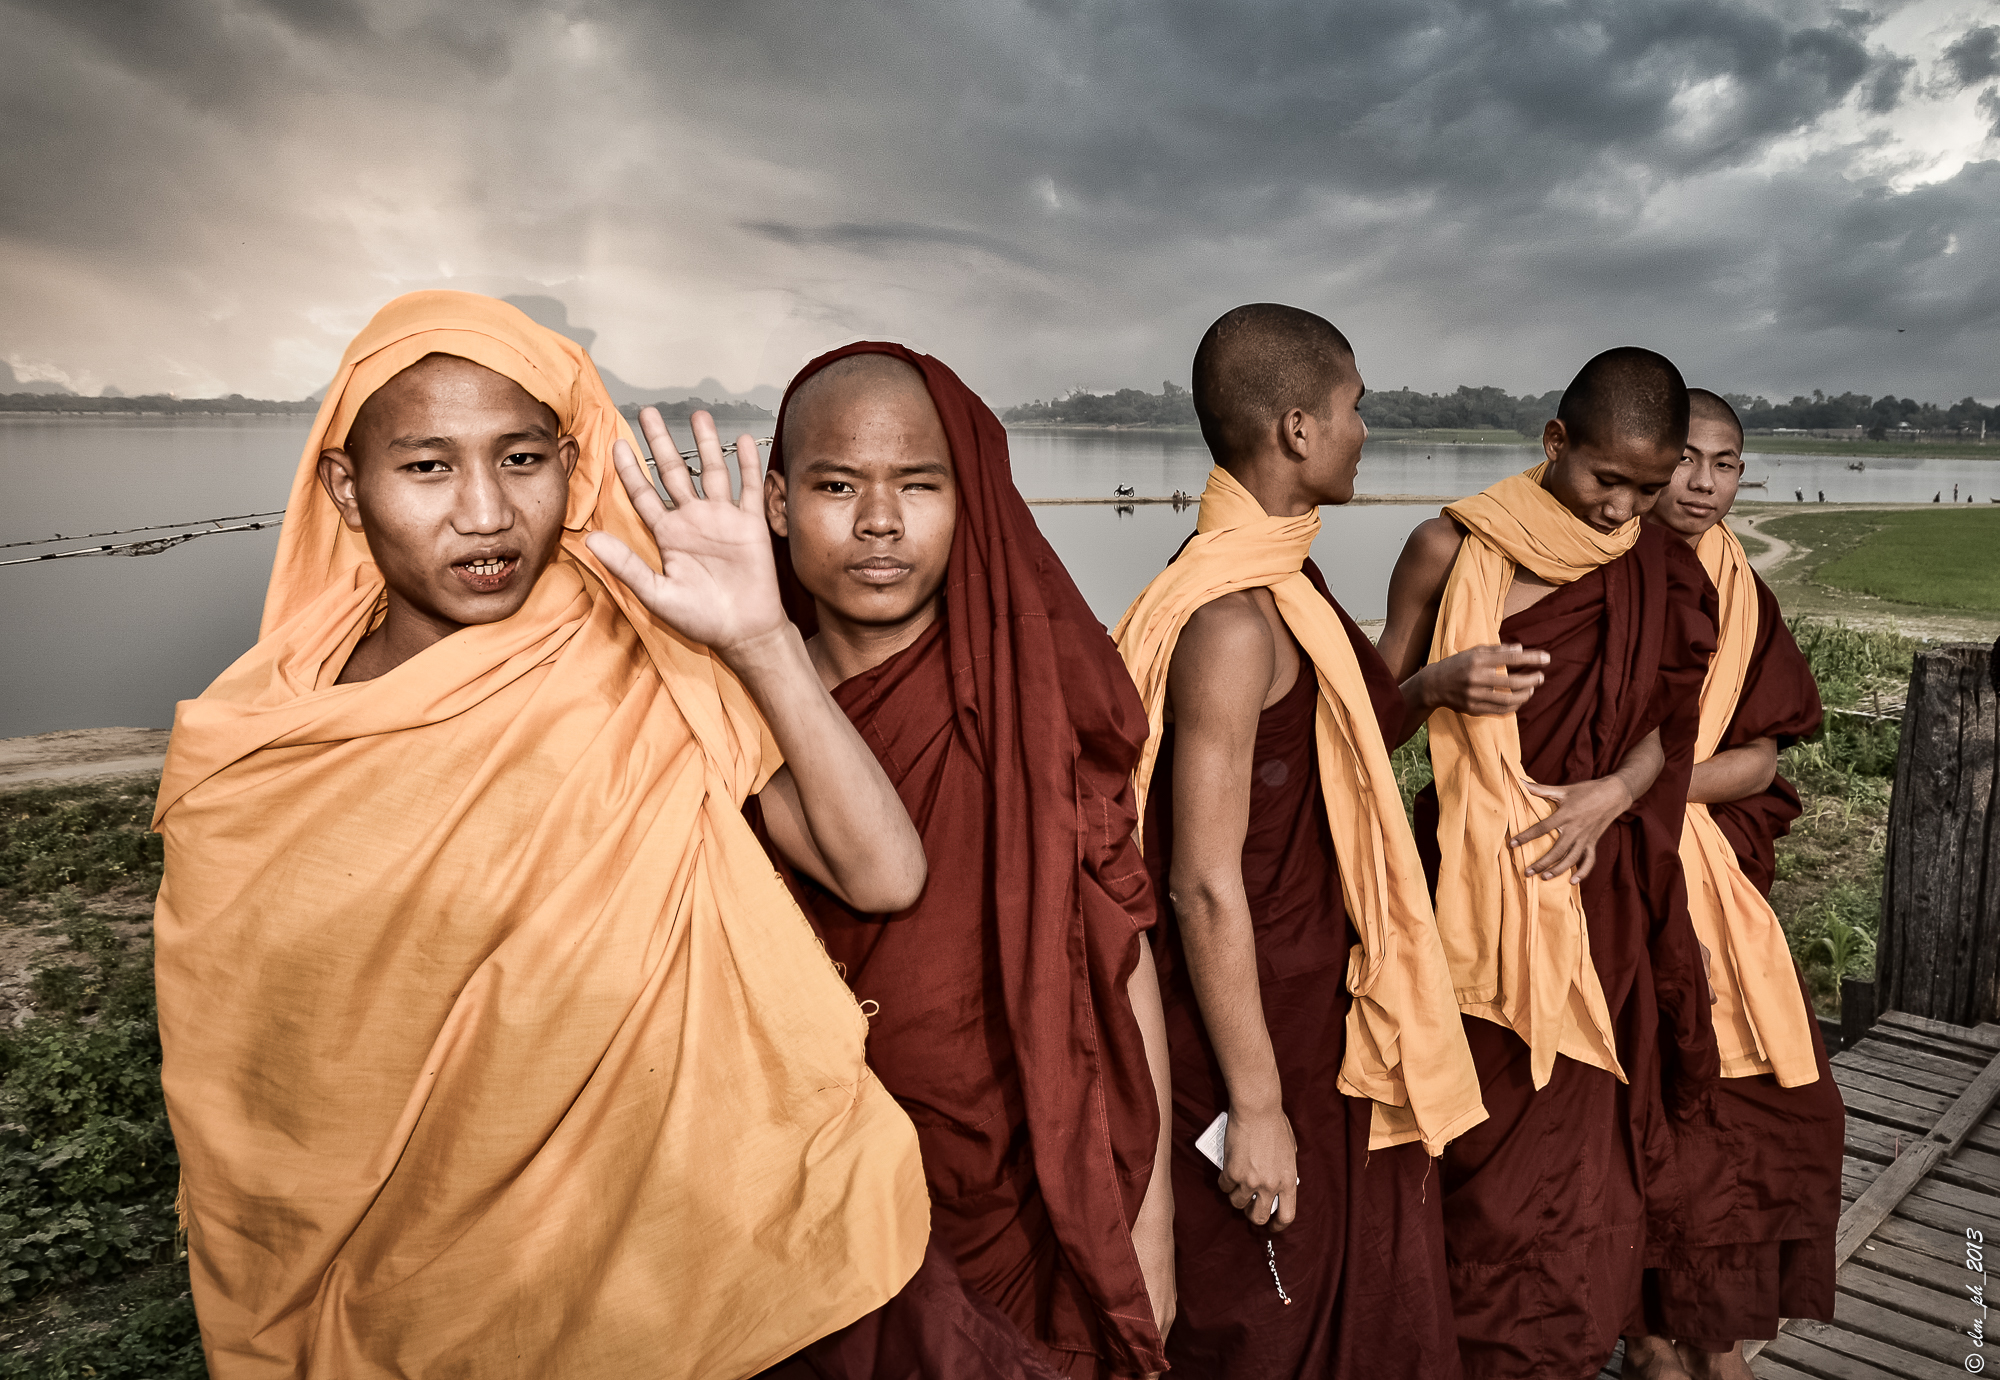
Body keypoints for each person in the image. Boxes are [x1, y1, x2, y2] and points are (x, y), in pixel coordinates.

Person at [153, 293, 933, 1379]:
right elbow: (264, 1081)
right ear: (345, 486)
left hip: (683, 1248)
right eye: (427, 468)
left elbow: (881, 872)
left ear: (572, 464)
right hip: (406, 1281)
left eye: (522, 458)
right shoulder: (263, 739)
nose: (485, 513)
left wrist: (759, 638)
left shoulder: (640, 642)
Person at [752, 344, 1174, 1380]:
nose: (879, 523)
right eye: (837, 486)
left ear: (967, 501)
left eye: (919, 486)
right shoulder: (717, 698)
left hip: (1009, 1196)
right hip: (779, 1201)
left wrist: (1149, 1249)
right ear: (775, 501)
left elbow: (1117, 959)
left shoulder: (1021, 698)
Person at [1115, 304, 1485, 1380]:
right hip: (1250, 1031)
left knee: (1349, 1294)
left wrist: (1435, 686)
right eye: (1354, 408)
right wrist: (1259, 1106)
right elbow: (1200, 886)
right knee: (1263, 1319)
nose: (1365, 429)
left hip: (1316, 1010)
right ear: (1294, 429)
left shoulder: (1281, 587)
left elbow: (1347, 740)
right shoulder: (1232, 620)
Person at [1378, 346, 1719, 1379]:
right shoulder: (1446, 548)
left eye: (1646, 488)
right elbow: (1358, 727)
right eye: (1602, 480)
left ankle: (1566, 1351)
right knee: (1469, 1158)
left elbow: (1670, 728)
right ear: (1552, 442)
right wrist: (1437, 680)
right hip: (1464, 902)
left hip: (1598, 894)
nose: (1621, 509)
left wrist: (1610, 798)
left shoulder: (1661, 566)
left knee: (1582, 1168)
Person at [1620, 391, 1841, 1380]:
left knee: (1752, 1114)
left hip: (1698, 877)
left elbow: (1755, 760)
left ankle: (1711, 1337)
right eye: (1687, 460)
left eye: (1726, 463)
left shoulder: (1742, 588)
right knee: (1633, 1113)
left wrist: (1637, 796)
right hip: (1608, 889)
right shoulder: (1593, 576)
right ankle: (1649, 1335)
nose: (1705, 482)